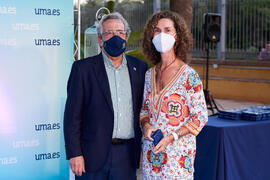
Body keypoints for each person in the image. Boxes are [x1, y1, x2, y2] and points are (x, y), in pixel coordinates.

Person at [64, 12, 148, 180]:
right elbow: (72, 117)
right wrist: (75, 154)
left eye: (119, 32)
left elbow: (144, 108)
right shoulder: (82, 69)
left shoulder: (140, 68)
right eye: (108, 33)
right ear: (99, 39)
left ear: (126, 36)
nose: (115, 36)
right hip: (91, 156)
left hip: (126, 156)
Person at [140, 11, 208, 179]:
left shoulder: (188, 76)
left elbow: (200, 116)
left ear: (177, 36)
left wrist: (172, 137)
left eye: (167, 30)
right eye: (157, 30)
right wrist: (146, 126)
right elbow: (144, 110)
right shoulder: (149, 75)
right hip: (151, 159)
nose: (161, 34)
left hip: (177, 160)